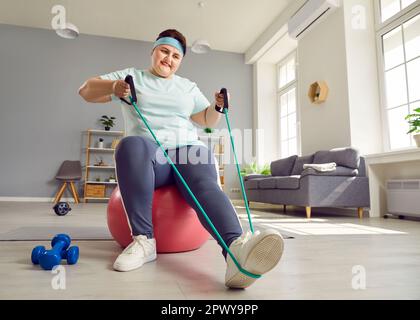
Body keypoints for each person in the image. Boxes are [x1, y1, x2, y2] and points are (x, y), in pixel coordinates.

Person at [78, 29, 284, 289]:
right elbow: (85, 90)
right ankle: (144, 241)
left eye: (176, 55)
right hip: (150, 156)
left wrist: (217, 107)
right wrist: (114, 87)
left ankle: (235, 251)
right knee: (130, 145)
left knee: (204, 168)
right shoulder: (132, 77)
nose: (169, 58)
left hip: (187, 151)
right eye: (164, 51)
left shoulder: (187, 87)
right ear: (153, 51)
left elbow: (206, 120)